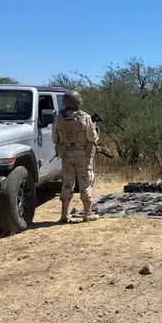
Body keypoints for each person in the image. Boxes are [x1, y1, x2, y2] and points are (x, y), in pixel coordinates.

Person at [52, 90, 100, 223]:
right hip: (82, 155)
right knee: (86, 181)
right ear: (77, 102)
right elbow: (91, 137)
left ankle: (64, 214)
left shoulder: (59, 118)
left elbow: (55, 139)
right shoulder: (84, 117)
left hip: (66, 154)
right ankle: (88, 213)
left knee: (67, 183)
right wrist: (96, 132)